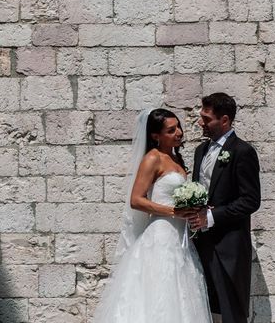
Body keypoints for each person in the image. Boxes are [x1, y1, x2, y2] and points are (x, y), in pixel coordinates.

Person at [93, 108, 212, 323]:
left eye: (178, 127)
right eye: (171, 130)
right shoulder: (152, 158)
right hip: (161, 236)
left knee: (182, 294)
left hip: (180, 237)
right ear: (155, 136)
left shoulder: (176, 158)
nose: (179, 133)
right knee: (160, 294)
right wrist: (173, 212)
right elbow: (136, 200)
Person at [189, 93, 261, 323]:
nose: (201, 122)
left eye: (206, 118)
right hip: (201, 242)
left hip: (229, 247)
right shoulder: (200, 151)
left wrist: (211, 216)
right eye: (202, 117)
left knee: (231, 310)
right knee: (205, 305)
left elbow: (250, 200)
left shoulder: (242, 151)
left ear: (225, 120)